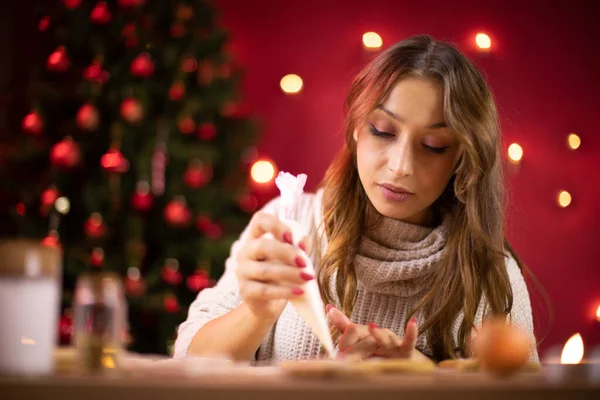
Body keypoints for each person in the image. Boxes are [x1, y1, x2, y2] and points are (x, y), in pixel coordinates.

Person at [173, 34, 538, 364]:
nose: (400, 166)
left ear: (461, 158)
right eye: (382, 131)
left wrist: (425, 377)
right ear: (357, 129)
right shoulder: (291, 225)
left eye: (433, 146)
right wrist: (256, 311)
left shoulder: (490, 273)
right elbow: (188, 360)